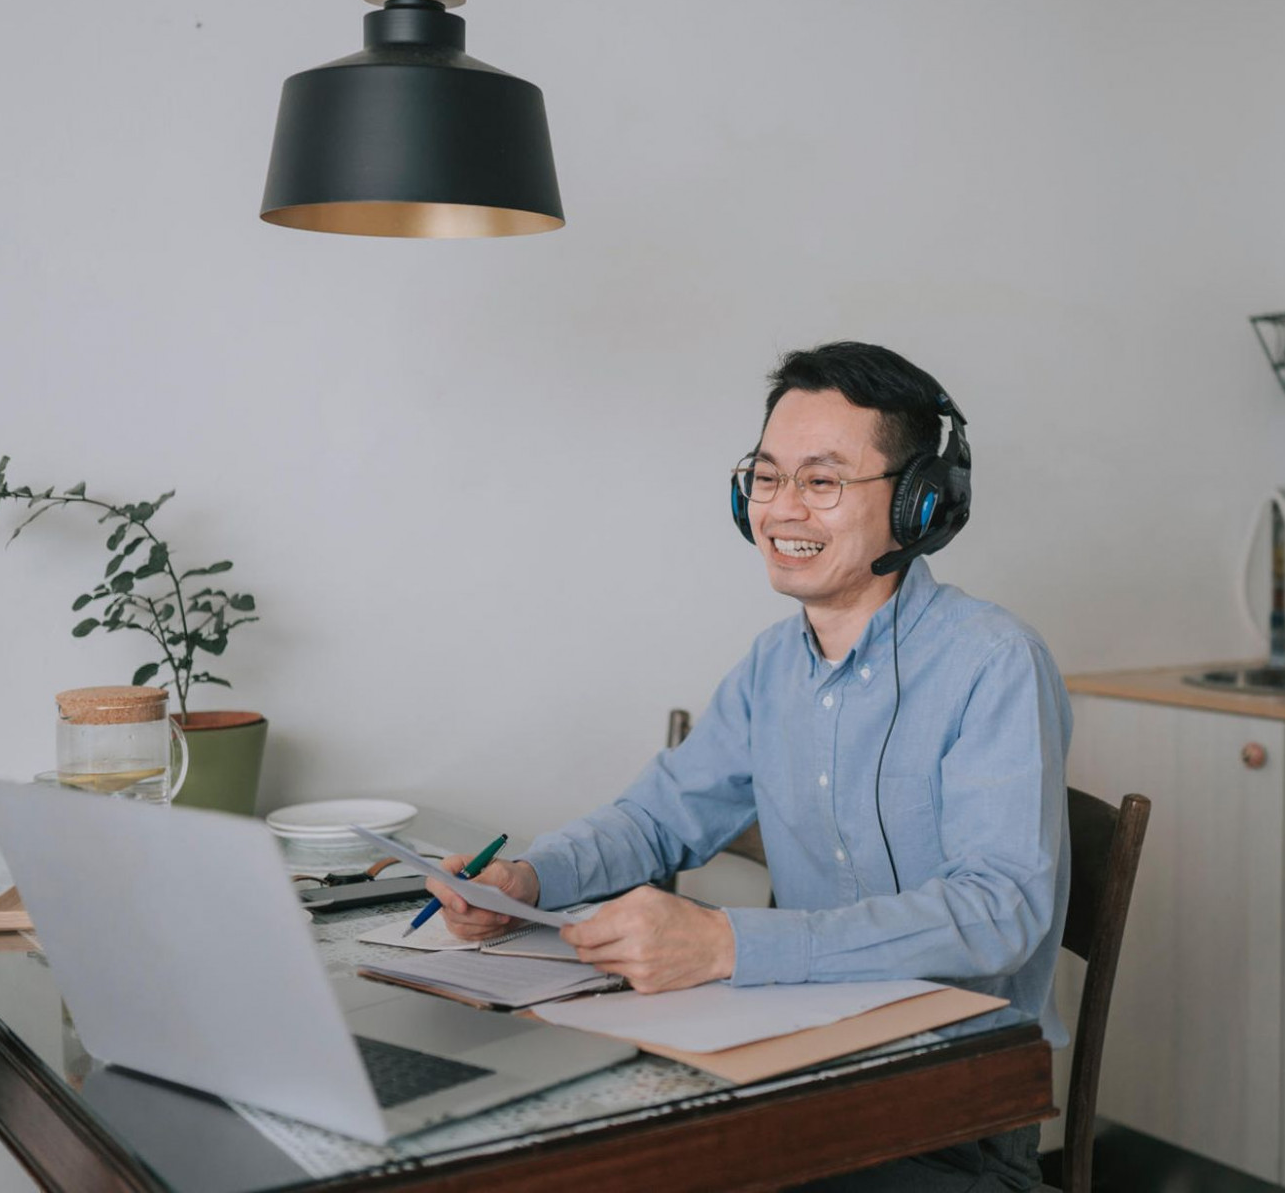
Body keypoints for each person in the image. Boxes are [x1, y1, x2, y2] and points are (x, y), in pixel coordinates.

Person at [426, 341, 1071, 1191]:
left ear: (919, 504)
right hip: (797, 1070)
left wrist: (727, 943)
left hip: (947, 1115)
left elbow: (1000, 911)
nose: (782, 509)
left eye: (822, 480)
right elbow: (658, 818)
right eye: (767, 478)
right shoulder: (774, 665)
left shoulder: (994, 662)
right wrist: (525, 881)